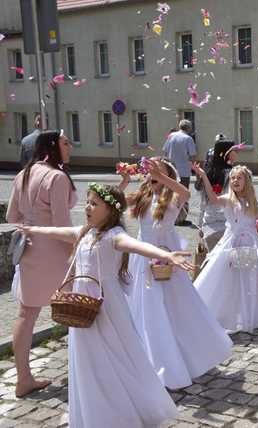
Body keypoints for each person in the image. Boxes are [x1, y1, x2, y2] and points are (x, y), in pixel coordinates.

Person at [18, 184, 192, 427]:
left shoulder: (114, 236)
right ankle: (95, 411)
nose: (87, 208)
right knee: (88, 360)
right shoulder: (85, 233)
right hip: (82, 307)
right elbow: (59, 231)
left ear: (110, 210)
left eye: (94, 204)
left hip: (107, 308)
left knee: (116, 355)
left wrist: (166, 256)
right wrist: (33, 229)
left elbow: (137, 246)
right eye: (87, 202)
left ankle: (123, 408)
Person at [119, 158, 232, 389]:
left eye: (157, 173)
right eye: (150, 173)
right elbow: (115, 202)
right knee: (145, 307)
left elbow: (185, 193)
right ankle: (149, 356)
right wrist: (124, 181)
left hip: (165, 254)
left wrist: (162, 177)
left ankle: (182, 353)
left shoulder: (172, 196)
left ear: (165, 175)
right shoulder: (144, 196)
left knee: (175, 305)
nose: (152, 177)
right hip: (142, 257)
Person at [6, 130, 76, 398]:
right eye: (65, 142)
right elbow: (62, 226)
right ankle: (87, 370)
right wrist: (79, 252)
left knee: (27, 313)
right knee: (76, 310)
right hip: (55, 250)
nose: (70, 146)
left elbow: (13, 215)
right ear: (52, 146)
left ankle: (23, 378)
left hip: (29, 250)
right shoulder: (56, 177)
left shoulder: (23, 174)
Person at [193, 164, 258, 332]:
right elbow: (213, 199)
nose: (235, 180)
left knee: (250, 280)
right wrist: (203, 176)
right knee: (228, 279)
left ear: (247, 181)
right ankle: (224, 313)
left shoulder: (252, 203)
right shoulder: (229, 200)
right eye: (232, 178)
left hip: (251, 246)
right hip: (233, 244)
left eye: (239, 178)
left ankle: (249, 313)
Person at [196, 139, 241, 250]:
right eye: (234, 150)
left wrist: (200, 225)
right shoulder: (234, 175)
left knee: (213, 260)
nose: (237, 153)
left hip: (209, 225)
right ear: (227, 153)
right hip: (228, 225)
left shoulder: (207, 173)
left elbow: (203, 203)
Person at [162, 119, 197, 225]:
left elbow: (164, 151)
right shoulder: (188, 139)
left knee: (170, 194)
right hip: (183, 171)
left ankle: (170, 217)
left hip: (171, 170)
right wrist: (194, 168)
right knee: (183, 195)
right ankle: (180, 218)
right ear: (189, 128)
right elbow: (192, 155)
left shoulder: (171, 136)